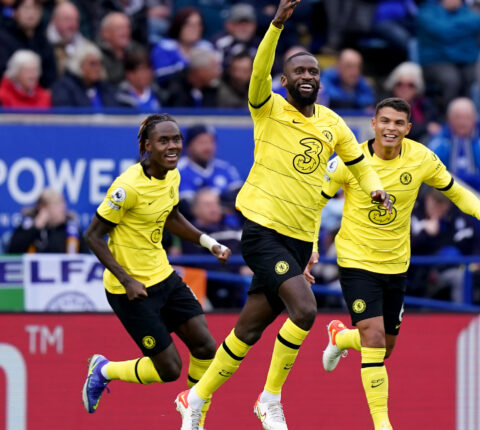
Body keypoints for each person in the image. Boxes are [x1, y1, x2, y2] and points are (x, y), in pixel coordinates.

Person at [174, 2, 390, 429]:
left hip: (299, 239)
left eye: (313, 71)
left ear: (320, 82)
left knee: (247, 331)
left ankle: (193, 398)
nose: (307, 75)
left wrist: (375, 189)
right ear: (284, 80)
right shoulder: (267, 107)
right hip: (262, 231)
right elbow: (259, 71)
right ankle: (269, 398)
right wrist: (275, 25)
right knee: (305, 310)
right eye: (299, 71)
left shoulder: (333, 124)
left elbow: (359, 164)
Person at [314, 97, 480, 430]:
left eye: (398, 123)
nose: (391, 128)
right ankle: (382, 424)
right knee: (374, 339)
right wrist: (310, 246)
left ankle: (341, 338)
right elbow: (315, 202)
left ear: (408, 128)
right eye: (385, 121)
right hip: (356, 261)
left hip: (396, 264)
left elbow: (454, 190)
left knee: (385, 347)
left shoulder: (421, 157)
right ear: (373, 124)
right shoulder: (349, 159)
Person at [81, 114, 232, 430]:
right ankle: (104, 370)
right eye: (164, 141)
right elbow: (93, 236)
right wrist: (127, 280)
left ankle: (193, 420)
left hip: (164, 277)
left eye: (176, 139)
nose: (172, 146)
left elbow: (171, 216)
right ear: (147, 146)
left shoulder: (172, 176)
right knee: (169, 369)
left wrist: (209, 243)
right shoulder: (127, 187)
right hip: (130, 290)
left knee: (206, 347)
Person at [428, 97, 480, 199]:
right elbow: (429, 169)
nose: (462, 122)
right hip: (447, 197)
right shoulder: (439, 142)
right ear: (449, 119)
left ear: (475, 118)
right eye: (457, 117)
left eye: (467, 118)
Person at [416, 0, 480, 109]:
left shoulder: (467, 11)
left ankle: (469, 114)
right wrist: (462, 29)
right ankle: (449, 115)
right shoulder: (427, 11)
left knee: (475, 75)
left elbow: (478, 21)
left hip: (465, 61)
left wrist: (450, 26)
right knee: (451, 79)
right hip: (435, 61)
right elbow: (442, 30)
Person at [177, 124, 243, 203]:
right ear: (188, 146)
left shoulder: (224, 168)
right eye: (202, 142)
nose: (208, 147)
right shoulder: (179, 171)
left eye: (211, 142)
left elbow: (241, 196)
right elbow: (186, 205)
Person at [0, 0, 57, 88]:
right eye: (26, 8)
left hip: (39, 93)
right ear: (15, 12)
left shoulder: (44, 41)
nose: (31, 13)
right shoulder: (3, 39)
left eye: (36, 9)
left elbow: (51, 77)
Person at [150, 7, 215, 83]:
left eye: (198, 25)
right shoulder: (164, 48)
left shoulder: (207, 48)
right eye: (189, 25)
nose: (194, 29)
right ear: (179, 26)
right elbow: (162, 77)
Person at [382, 61, 441, 142]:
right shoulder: (386, 104)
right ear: (393, 85)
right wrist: (426, 127)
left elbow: (438, 123)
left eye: (410, 85)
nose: (404, 89)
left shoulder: (424, 103)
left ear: (417, 87)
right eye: (399, 84)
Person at [7, 188, 80, 253]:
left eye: (63, 203)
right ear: (43, 208)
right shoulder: (27, 227)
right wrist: (35, 228)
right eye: (57, 204)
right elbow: (12, 252)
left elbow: (84, 257)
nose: (63, 207)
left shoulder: (72, 229)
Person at [50, 42, 118, 108]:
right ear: (79, 65)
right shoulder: (64, 88)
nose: (97, 68)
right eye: (92, 64)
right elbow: (65, 112)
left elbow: (114, 110)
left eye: (99, 63)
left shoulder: (105, 88)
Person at [46, 1, 91, 77]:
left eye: (75, 20)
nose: (72, 24)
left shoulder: (87, 47)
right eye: (67, 19)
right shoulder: (44, 43)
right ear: (54, 20)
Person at [98, 12, 141, 86]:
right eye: (120, 28)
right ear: (105, 33)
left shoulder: (137, 50)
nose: (125, 32)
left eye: (127, 27)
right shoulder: (96, 55)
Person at [213, 4, 260, 70]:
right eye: (239, 23)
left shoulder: (261, 44)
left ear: (255, 25)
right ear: (228, 24)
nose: (244, 28)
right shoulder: (219, 43)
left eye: (248, 23)